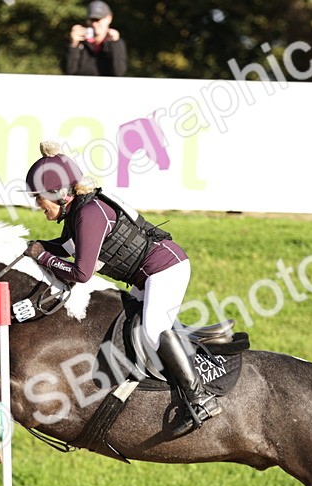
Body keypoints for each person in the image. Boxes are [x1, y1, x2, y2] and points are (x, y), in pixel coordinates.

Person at [22, 141, 220, 435]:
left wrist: (42, 256)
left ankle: (200, 399)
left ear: (60, 194)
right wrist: (27, 248)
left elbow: (81, 272)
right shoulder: (79, 211)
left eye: (40, 198)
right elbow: (64, 247)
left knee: (153, 332)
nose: (37, 205)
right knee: (127, 328)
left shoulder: (89, 214)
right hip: (148, 276)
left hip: (166, 270)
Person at [63, 1, 127, 77]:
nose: (94, 24)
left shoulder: (115, 43)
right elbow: (69, 70)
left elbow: (119, 72)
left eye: (98, 19)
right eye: (92, 20)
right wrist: (73, 44)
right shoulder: (79, 42)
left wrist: (115, 44)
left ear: (109, 18)